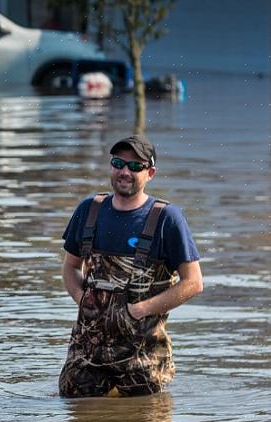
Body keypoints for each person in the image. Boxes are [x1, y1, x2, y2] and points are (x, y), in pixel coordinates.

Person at [59, 135, 203, 397]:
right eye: (118, 163)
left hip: (143, 354)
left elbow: (193, 283)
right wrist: (83, 300)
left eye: (135, 166)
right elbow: (70, 268)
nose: (125, 171)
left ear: (150, 173)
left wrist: (140, 309)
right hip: (87, 352)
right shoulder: (89, 210)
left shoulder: (167, 218)